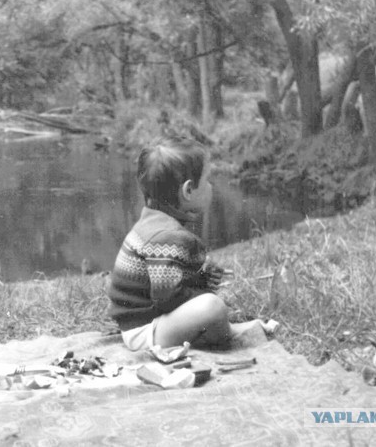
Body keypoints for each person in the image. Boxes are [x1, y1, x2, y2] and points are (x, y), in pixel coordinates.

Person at [108, 135, 278, 351]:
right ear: (188, 191)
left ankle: (218, 329)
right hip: (146, 332)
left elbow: (167, 284)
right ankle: (230, 334)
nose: (210, 186)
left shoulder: (152, 222)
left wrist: (200, 276)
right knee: (212, 307)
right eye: (207, 180)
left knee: (210, 306)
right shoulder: (167, 237)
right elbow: (168, 298)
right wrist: (203, 289)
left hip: (142, 324)